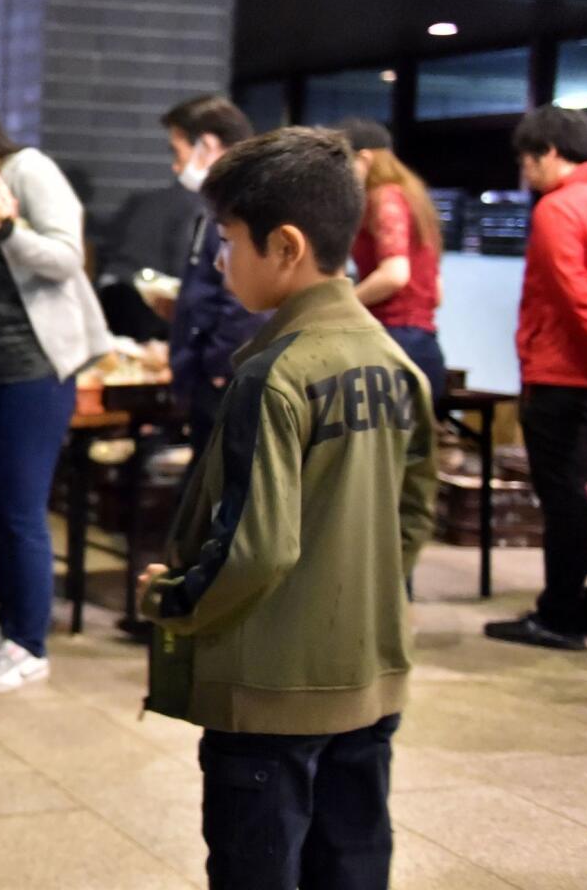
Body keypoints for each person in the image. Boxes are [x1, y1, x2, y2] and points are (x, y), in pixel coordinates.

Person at [139, 127, 438, 890]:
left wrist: (171, 598)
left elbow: (255, 546)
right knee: (354, 863)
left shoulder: (271, 377)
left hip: (270, 698)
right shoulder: (396, 363)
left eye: (230, 239)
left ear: (286, 246)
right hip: (370, 675)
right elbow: (411, 518)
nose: (219, 260)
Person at [0, 91, 112, 695]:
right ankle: (7, 627)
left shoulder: (26, 169)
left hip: (34, 367)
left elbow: (65, 256)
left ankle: (31, 645)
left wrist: (5, 227)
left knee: (21, 510)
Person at [484, 105, 587, 652]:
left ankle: (559, 615)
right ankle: (586, 607)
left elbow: (573, 295)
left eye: (527, 161)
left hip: (561, 373)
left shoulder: (559, 208)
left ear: (550, 154)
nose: (525, 173)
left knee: (563, 500)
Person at [161, 95, 264, 462]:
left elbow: (244, 293)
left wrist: (222, 365)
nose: (176, 166)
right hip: (210, 372)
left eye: (178, 150)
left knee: (217, 491)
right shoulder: (217, 202)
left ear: (207, 144)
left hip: (225, 376)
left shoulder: (243, 200)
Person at [339, 118, 448, 405]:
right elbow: (436, 294)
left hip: (393, 341)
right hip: (423, 342)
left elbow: (395, 274)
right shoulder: (414, 198)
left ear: (364, 158)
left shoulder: (384, 198)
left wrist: (340, 303)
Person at [96, 181, 204, 341]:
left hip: (113, 286)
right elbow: (179, 260)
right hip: (147, 297)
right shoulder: (196, 206)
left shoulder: (145, 199)